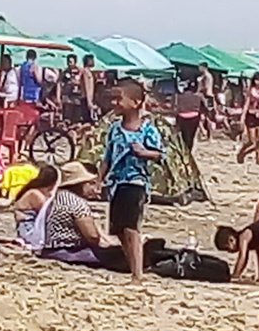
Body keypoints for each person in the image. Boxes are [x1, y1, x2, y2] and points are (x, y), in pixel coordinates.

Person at [99, 79, 164, 283]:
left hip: (136, 182)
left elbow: (160, 155)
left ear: (136, 102)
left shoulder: (147, 130)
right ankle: (135, 264)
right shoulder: (115, 130)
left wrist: (144, 152)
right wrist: (98, 180)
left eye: (119, 99)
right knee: (118, 229)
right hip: (117, 183)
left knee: (130, 227)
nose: (115, 103)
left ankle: (137, 274)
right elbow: (107, 158)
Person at [11, 165, 58, 246]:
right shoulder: (35, 194)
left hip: (27, 227)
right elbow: (48, 212)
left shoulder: (35, 191)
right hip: (29, 229)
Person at [238, 73, 259, 164]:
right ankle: (242, 153)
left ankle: (258, 159)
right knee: (252, 141)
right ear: (256, 81)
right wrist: (242, 116)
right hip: (251, 115)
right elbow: (246, 104)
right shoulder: (251, 91)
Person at [175, 82, 203, 151]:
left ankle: (184, 149)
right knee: (191, 136)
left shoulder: (179, 96)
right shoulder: (199, 96)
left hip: (182, 117)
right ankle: (189, 149)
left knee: (184, 135)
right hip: (194, 117)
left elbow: (175, 108)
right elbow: (204, 107)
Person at [79, 54, 98, 124]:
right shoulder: (85, 72)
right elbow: (86, 86)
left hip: (90, 98)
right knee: (88, 120)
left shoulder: (89, 72)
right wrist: (89, 101)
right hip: (86, 98)